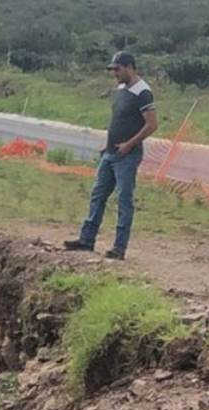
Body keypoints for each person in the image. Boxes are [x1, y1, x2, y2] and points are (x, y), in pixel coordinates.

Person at [64, 52, 158, 261]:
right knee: (98, 195)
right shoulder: (121, 89)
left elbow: (152, 125)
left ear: (129, 67)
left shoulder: (143, 92)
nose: (115, 74)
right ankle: (86, 240)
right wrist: (107, 145)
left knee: (124, 201)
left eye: (117, 69)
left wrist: (129, 144)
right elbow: (119, 119)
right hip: (111, 152)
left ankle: (119, 248)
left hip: (127, 155)